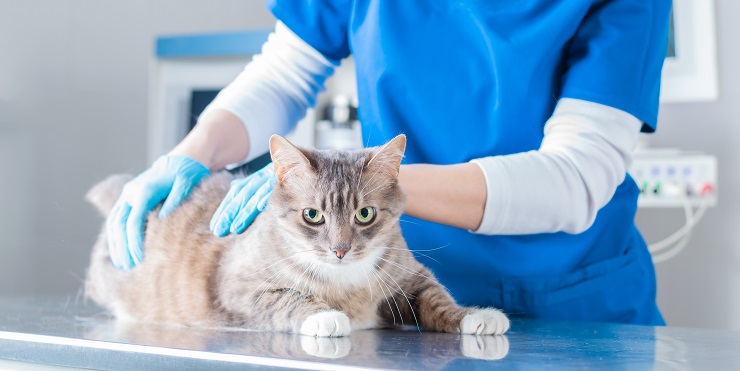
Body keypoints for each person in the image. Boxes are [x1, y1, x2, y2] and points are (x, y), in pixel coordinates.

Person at [108, 0, 672, 325]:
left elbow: (575, 177)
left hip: (569, 301)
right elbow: (286, 71)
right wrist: (191, 153)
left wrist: (373, 190)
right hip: (388, 295)